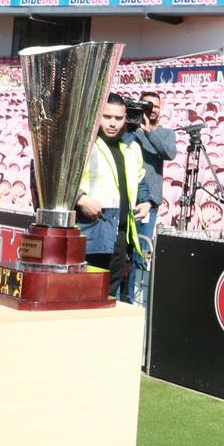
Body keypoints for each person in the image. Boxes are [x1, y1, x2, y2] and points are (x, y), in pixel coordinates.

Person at [76, 93, 150, 301]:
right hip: (90, 231)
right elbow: (57, 177)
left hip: (119, 234)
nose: (112, 124)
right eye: (107, 117)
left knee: (108, 298)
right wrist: (81, 200)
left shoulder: (131, 147)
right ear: (97, 116)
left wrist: (145, 201)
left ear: (125, 118)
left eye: (118, 118)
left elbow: (140, 179)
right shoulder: (84, 144)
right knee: (84, 296)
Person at [126, 91, 177, 307]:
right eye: (147, 105)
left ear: (160, 108)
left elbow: (169, 153)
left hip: (149, 204)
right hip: (127, 198)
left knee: (140, 256)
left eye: (155, 105)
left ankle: (134, 303)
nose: (152, 109)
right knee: (122, 253)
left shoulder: (165, 133)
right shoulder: (131, 130)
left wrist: (147, 131)